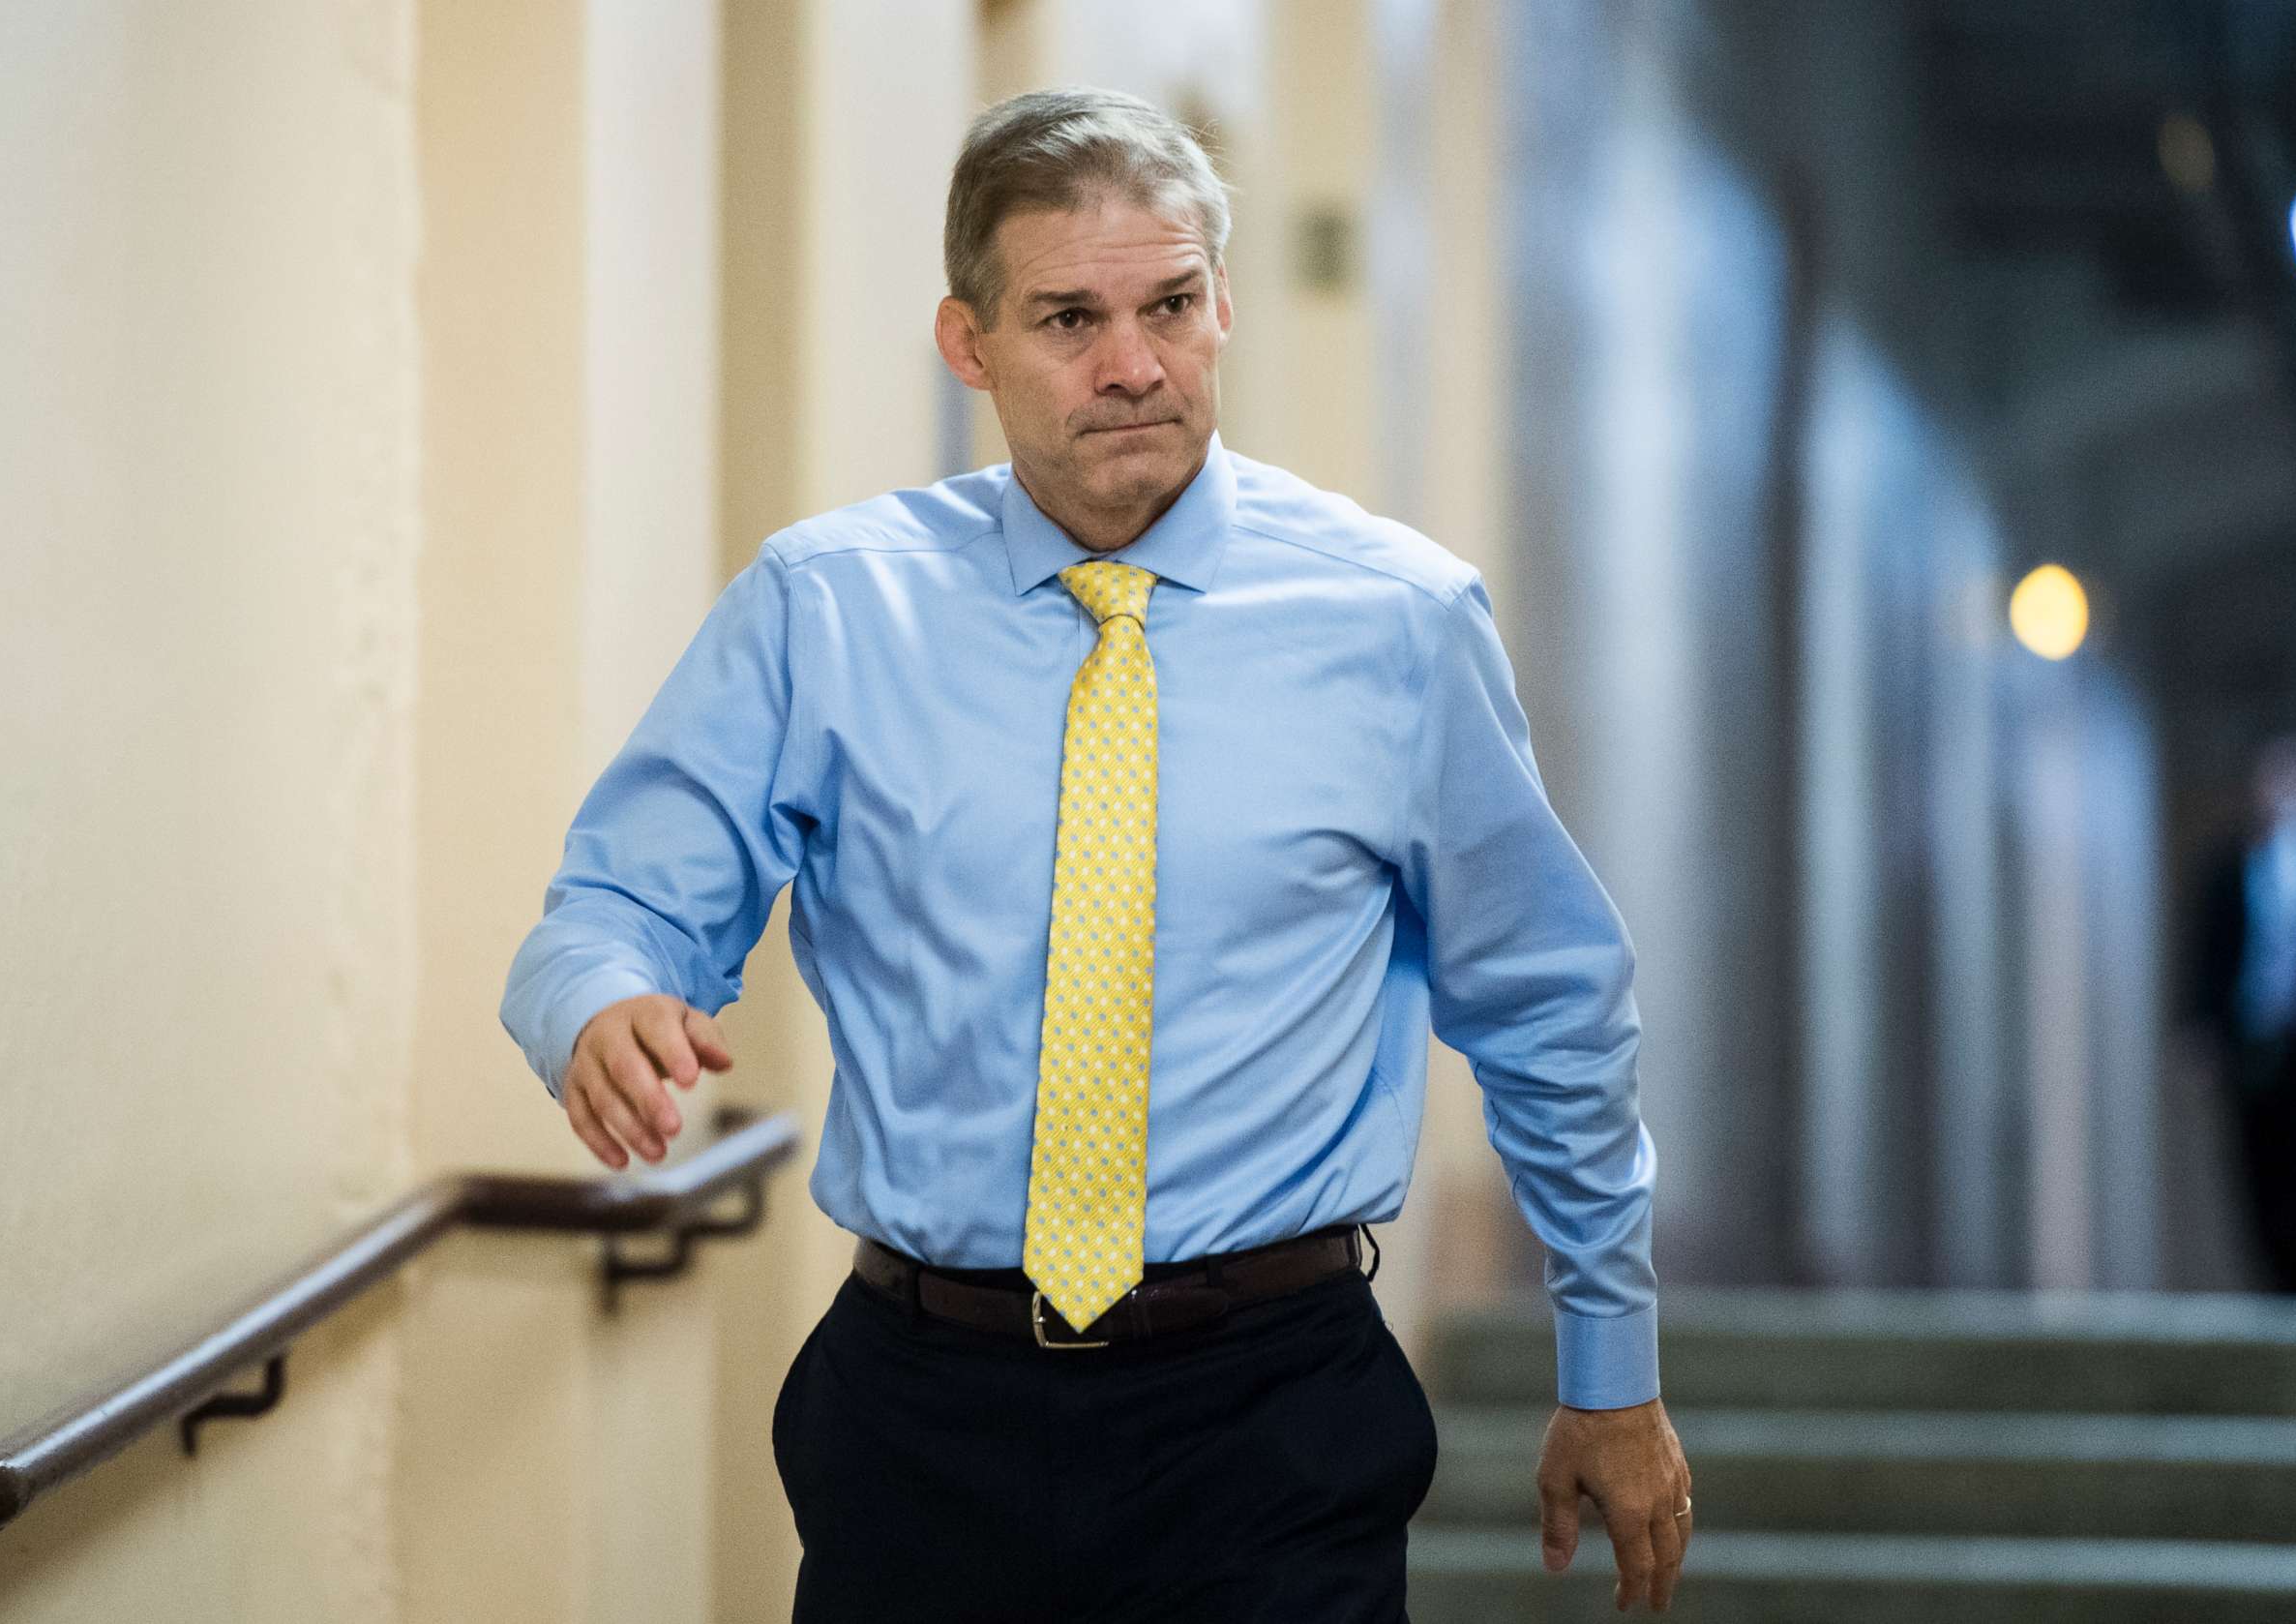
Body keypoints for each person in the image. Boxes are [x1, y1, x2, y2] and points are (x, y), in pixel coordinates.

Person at [500, 85, 1690, 1619]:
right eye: (1069, 316)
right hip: (925, 1415)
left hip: (1272, 1413)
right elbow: (609, 903)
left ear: (1222, 306)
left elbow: (1549, 1000)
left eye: (1171, 305)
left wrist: (1612, 1369)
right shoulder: (829, 610)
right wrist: (600, 1001)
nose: (1133, 364)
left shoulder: (1398, 621)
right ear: (967, 342)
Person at [2185, 731, 2296, 1294]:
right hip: (2257, 1048)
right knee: (2263, 1172)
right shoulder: (2233, 869)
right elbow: (2209, 952)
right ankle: (2281, 1287)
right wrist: (2203, 1028)